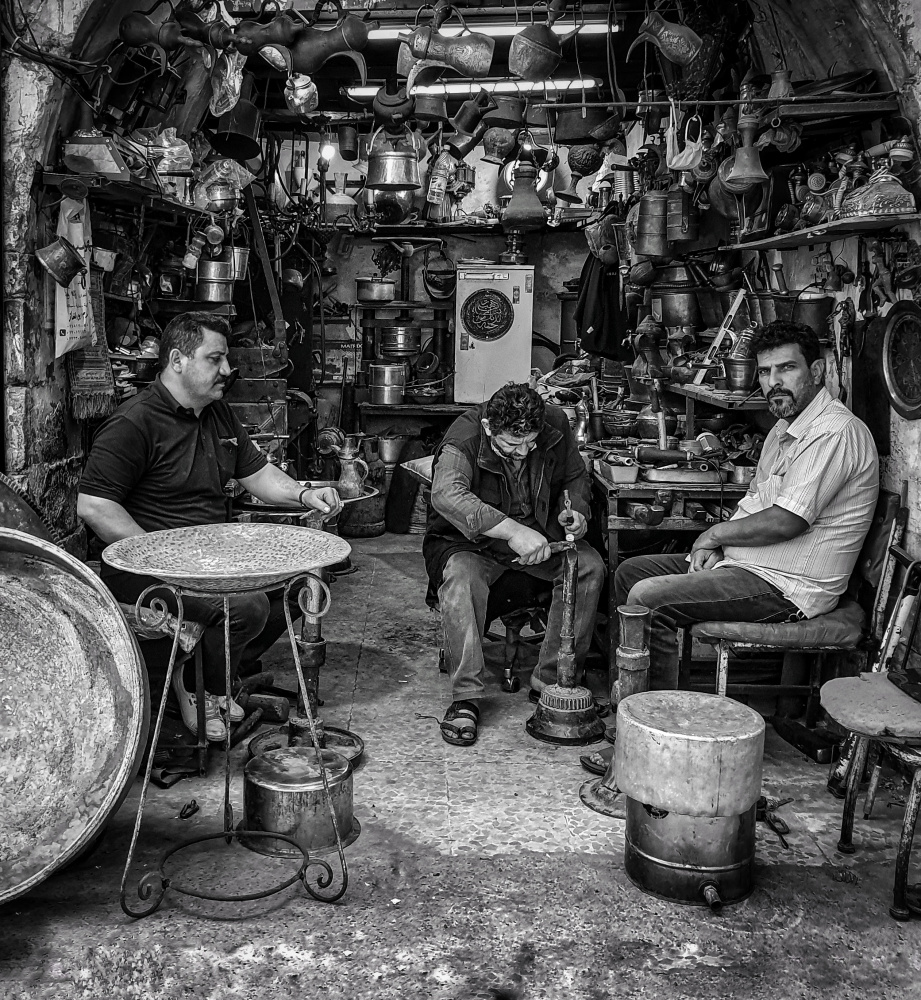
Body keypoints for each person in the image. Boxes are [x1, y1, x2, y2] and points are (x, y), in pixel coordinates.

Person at [78, 312, 342, 741]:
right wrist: (157, 556)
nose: (227, 370)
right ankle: (199, 687)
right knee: (248, 607)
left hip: (211, 564)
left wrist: (303, 495)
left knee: (303, 585)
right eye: (215, 359)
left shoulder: (217, 414)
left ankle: (216, 673)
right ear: (177, 360)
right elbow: (94, 505)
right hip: (149, 573)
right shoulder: (134, 423)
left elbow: (258, 474)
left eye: (226, 359)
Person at [613, 319, 879, 694]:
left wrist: (713, 535)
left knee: (648, 598)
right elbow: (756, 503)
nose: (774, 382)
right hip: (745, 567)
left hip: (785, 587)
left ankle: (655, 714)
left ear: (817, 371)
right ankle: (634, 693)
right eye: (765, 371)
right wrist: (720, 547)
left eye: (787, 368)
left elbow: (787, 521)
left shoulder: (834, 432)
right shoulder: (782, 431)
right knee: (629, 573)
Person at [424, 382, 605, 746]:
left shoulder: (555, 423)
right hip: (474, 544)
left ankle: (553, 681)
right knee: (461, 577)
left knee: (588, 566)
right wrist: (512, 531)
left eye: (530, 443)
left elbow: (574, 476)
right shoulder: (465, 436)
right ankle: (466, 697)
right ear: (489, 427)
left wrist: (575, 511)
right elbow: (447, 495)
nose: (522, 453)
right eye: (511, 444)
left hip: (539, 539)